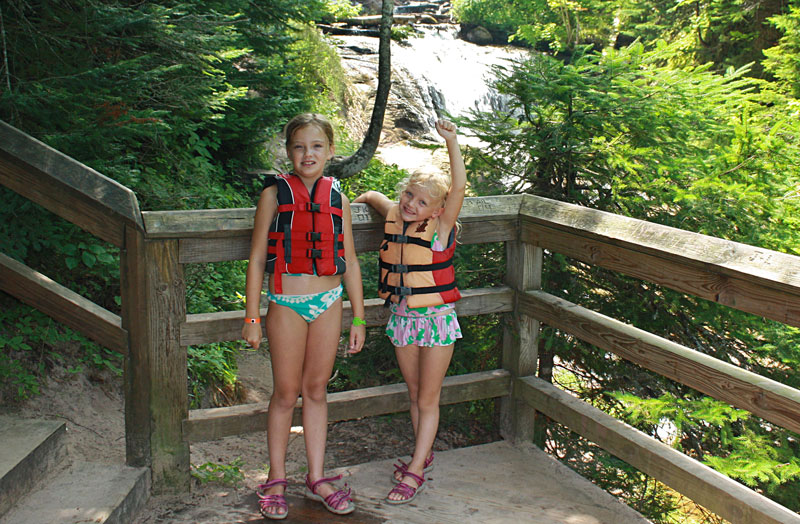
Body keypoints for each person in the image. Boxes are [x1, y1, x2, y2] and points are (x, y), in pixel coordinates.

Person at [242, 113, 366, 520]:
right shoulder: (274, 195)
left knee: (316, 391)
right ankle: (275, 478)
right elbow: (258, 256)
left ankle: (316, 476)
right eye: (299, 146)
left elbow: (348, 261)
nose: (307, 154)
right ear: (289, 152)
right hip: (286, 304)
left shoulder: (338, 198)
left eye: (316, 146)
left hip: (329, 301)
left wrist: (359, 317)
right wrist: (252, 316)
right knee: (284, 392)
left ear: (330, 151)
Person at [353, 119, 466, 504]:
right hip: (402, 319)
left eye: (422, 202)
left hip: (435, 321)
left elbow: (459, 190)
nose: (411, 205)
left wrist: (451, 141)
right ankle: (423, 453)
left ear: (436, 211)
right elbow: (375, 197)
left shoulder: (440, 230)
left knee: (429, 398)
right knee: (414, 392)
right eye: (409, 196)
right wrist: (363, 196)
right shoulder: (396, 216)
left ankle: (415, 470)